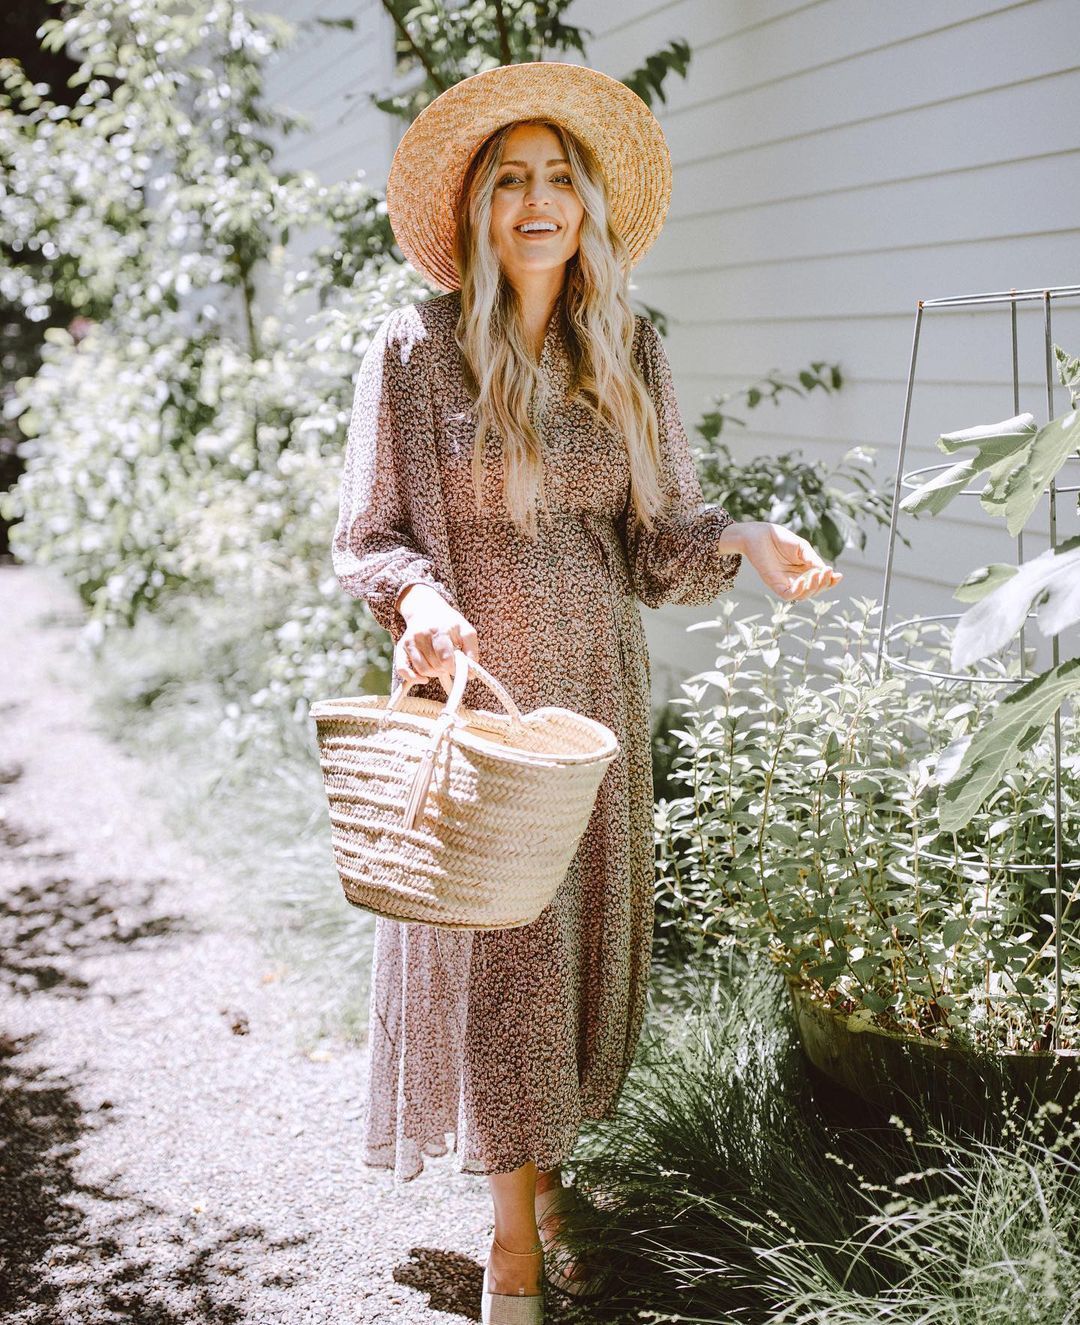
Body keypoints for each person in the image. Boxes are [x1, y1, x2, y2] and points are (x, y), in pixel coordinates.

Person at [331, 61, 842, 1323]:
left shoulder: (629, 343)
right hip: (478, 690)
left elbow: (661, 548)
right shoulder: (416, 347)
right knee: (508, 956)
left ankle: (551, 1193)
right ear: (477, 206)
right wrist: (421, 603)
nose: (538, 199)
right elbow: (370, 533)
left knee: (568, 954)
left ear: (589, 205)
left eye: (560, 177)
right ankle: (513, 1243)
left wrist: (746, 537)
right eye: (512, 178)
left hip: (597, 699)